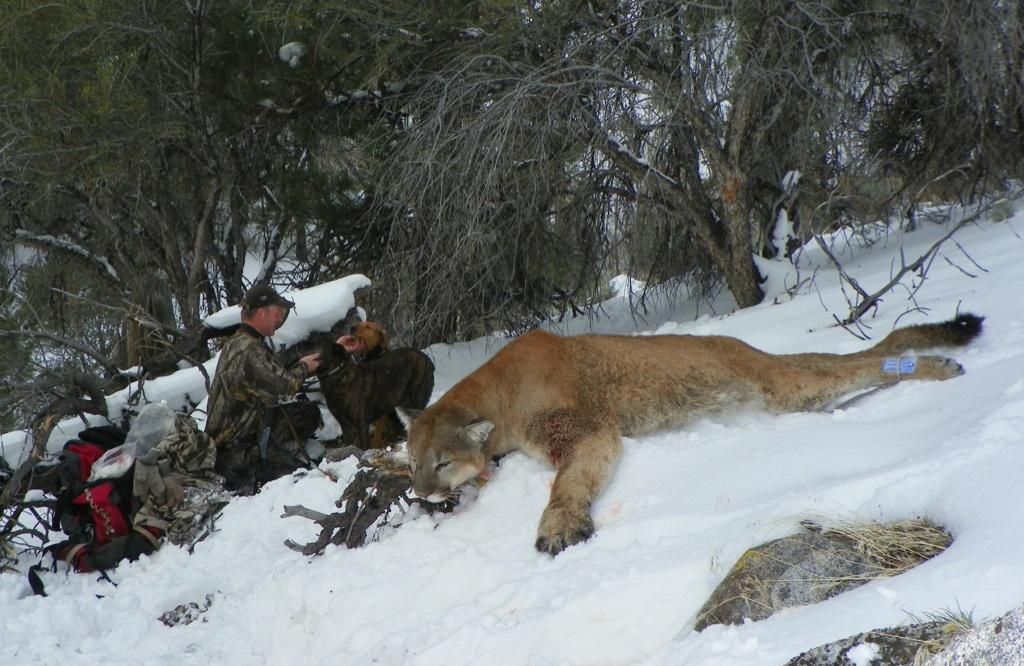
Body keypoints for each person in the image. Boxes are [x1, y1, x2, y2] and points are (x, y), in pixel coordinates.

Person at [205, 284, 324, 493]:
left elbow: (271, 370)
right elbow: (283, 387)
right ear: (261, 312)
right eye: (277, 313)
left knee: (307, 413)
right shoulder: (249, 349)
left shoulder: (239, 342)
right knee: (302, 480)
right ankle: (259, 467)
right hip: (236, 449)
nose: (280, 319)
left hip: (238, 436)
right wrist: (305, 366)